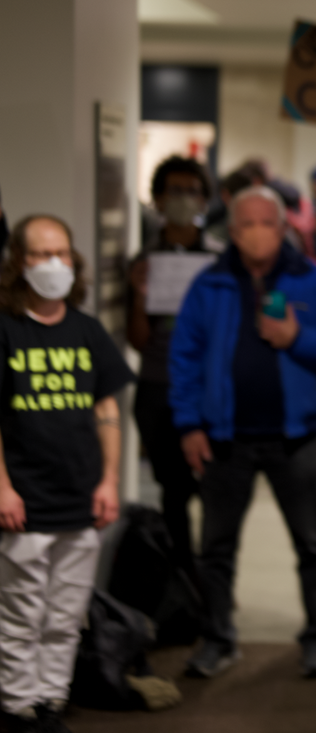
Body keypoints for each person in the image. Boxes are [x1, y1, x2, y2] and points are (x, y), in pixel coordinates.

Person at [170, 186, 316, 680]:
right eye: (246, 224)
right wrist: (189, 424)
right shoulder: (209, 284)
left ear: (284, 227)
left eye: (266, 223)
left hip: (297, 437)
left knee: (312, 545)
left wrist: (298, 338)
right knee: (217, 548)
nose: (256, 233)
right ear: (231, 232)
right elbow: (183, 358)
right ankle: (218, 638)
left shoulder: (311, 279)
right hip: (225, 439)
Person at [0, 215, 134, 733]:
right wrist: (4, 488)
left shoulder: (88, 331)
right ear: (19, 262)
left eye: (61, 253)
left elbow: (107, 409)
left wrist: (109, 481)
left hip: (80, 497)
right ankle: (17, 705)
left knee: (64, 615)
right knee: (20, 616)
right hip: (25, 502)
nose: (53, 263)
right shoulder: (7, 329)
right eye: (40, 254)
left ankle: (51, 702)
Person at [126, 156, 223, 570]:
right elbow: (138, 340)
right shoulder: (143, 261)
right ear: (158, 199)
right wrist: (140, 294)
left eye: (192, 190)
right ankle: (182, 580)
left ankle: (215, 582)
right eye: (174, 191)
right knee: (173, 492)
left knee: (219, 491)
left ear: (205, 198)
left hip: (209, 389)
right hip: (158, 386)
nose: (184, 199)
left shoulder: (221, 259)